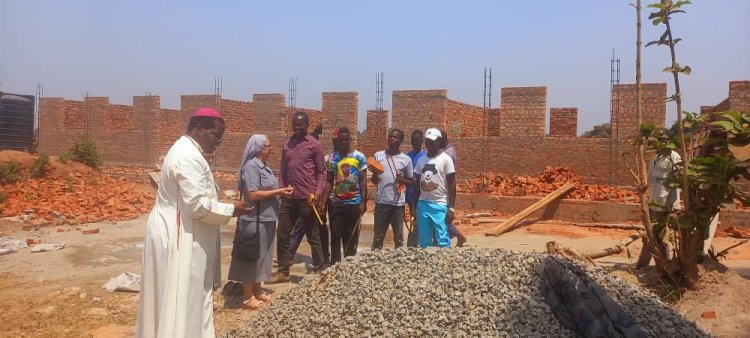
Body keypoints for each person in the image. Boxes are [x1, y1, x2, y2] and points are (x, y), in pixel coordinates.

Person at [136, 108, 253, 338]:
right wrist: (232, 209)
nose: (218, 143)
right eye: (216, 136)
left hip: (178, 229)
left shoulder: (186, 150)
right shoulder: (188, 156)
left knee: (174, 296)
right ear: (199, 129)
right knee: (184, 296)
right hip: (179, 235)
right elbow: (198, 206)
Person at [228, 135, 293, 309]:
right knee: (252, 257)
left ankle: (257, 290)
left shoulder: (264, 166)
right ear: (258, 148)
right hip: (254, 219)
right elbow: (253, 194)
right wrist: (279, 191)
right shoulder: (251, 167)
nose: (271, 149)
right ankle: (247, 297)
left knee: (264, 256)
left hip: (267, 218)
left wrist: (280, 190)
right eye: (268, 146)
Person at [268, 112, 327, 284]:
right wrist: (281, 189)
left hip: (307, 199)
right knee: (283, 235)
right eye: (294, 124)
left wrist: (317, 194)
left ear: (307, 125)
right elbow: (283, 171)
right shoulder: (287, 145)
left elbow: (322, 172)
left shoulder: (314, 145)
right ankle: (283, 271)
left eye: (300, 125)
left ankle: (318, 270)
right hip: (289, 198)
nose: (297, 127)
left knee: (313, 236)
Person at [288, 124, 332, 267]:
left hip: (314, 199)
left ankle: (321, 260)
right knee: (306, 231)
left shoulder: (321, 160)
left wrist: (321, 200)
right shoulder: (320, 159)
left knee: (314, 233)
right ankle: (290, 256)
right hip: (307, 199)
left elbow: (324, 179)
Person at [322, 127, 368, 263]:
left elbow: (363, 180)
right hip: (337, 204)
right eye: (341, 140)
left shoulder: (359, 157)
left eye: (346, 139)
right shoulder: (331, 158)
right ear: (338, 141)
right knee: (336, 237)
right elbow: (329, 181)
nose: (344, 142)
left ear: (350, 140)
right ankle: (335, 266)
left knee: (351, 237)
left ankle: (349, 267)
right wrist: (323, 202)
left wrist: (363, 202)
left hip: (354, 204)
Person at [636, 148, 682, 268]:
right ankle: (646, 264)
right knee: (651, 235)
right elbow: (651, 179)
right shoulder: (655, 158)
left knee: (661, 236)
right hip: (653, 202)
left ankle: (662, 265)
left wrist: (675, 204)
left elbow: (677, 182)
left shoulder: (674, 157)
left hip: (665, 203)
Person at [371, 128, 414, 250]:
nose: (391, 139)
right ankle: (374, 262)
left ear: (400, 140)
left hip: (397, 205)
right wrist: (374, 173)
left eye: (394, 137)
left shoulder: (406, 160)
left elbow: (411, 182)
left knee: (399, 239)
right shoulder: (378, 155)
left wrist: (402, 180)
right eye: (390, 136)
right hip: (381, 203)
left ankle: (398, 264)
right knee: (378, 238)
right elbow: (375, 181)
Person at [414, 128, 456, 248]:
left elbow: (452, 184)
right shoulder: (421, 160)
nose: (428, 144)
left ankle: (445, 263)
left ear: (438, 141)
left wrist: (451, 208)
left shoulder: (445, 159)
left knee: (442, 239)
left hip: (439, 204)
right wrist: (414, 205)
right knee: (424, 240)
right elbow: (416, 183)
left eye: (431, 141)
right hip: (423, 204)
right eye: (426, 141)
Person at [439, 129, 468, 247]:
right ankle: (457, 237)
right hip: (444, 188)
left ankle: (457, 236)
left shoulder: (447, 153)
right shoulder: (449, 150)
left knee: (443, 218)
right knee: (443, 218)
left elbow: (448, 174)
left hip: (445, 189)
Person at [405, 130, 427, 247]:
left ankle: (414, 245)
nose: (414, 143)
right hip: (410, 195)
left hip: (420, 196)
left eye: (417, 141)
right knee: (413, 219)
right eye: (413, 141)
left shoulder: (424, 157)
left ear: (422, 142)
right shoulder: (408, 156)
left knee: (418, 220)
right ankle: (412, 244)